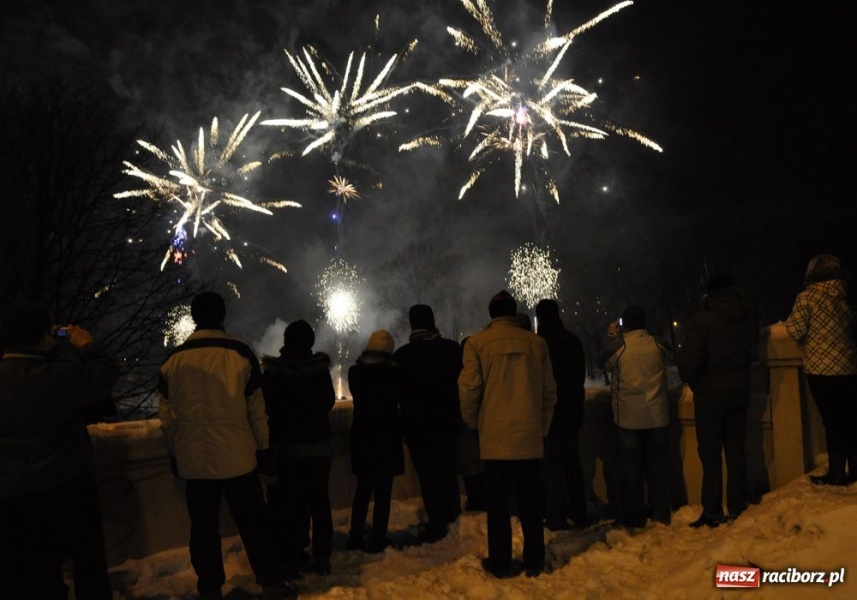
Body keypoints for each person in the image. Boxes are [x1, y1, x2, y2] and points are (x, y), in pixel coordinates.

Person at [158, 292, 289, 600]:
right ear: (222, 315)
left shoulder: (172, 361)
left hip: (194, 462)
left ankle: (210, 588)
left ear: (193, 317)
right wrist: (264, 448)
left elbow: (168, 419)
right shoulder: (240, 355)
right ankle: (270, 582)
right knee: (255, 523)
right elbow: (257, 410)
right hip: (239, 458)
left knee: (203, 530)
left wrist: (177, 453)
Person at [0, 304, 118, 600]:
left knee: (30, 575)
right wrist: (86, 344)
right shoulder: (59, 375)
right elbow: (104, 375)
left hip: (12, 497)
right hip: (67, 488)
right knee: (88, 564)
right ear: (43, 336)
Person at [459, 291, 557, 578]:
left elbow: (469, 391)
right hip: (528, 435)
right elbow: (549, 393)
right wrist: (541, 428)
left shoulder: (476, 344)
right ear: (514, 312)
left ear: (491, 314)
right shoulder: (537, 344)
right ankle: (534, 559)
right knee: (530, 501)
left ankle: (501, 563)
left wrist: (475, 423)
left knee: (498, 505)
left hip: (494, 437)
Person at [678, 274, 755, 527]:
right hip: (740, 392)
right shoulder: (745, 318)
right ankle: (738, 506)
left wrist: (692, 377)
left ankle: (712, 510)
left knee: (710, 454)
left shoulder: (702, 322)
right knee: (736, 451)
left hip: (710, 395)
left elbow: (689, 363)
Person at [262, 319, 336, 577]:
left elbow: (266, 408)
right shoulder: (318, 370)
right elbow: (328, 402)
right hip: (318, 446)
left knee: (291, 504)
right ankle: (323, 555)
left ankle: (293, 555)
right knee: (319, 501)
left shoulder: (272, 372)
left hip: (286, 448)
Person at [393, 304, 463, 542]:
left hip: (418, 426)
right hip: (448, 421)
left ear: (412, 324)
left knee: (428, 475)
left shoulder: (402, 357)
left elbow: (397, 394)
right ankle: (453, 514)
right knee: (448, 469)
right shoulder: (452, 350)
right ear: (433, 321)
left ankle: (437, 522)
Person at [785, 255, 857, 486]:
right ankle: (855, 467)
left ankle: (836, 471)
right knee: (851, 417)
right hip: (849, 365)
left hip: (821, 369)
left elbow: (794, 330)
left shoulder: (808, 297)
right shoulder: (849, 293)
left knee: (832, 420)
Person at [598, 305, 672, 528]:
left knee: (631, 469)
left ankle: (635, 514)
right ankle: (660, 512)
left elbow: (604, 361)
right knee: (656, 467)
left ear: (624, 324)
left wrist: (611, 335)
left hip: (629, 418)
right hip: (658, 415)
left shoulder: (620, 346)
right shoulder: (658, 344)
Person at [347, 330, 405, 553]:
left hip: (363, 436)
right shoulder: (394, 375)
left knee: (362, 490)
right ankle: (378, 538)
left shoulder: (355, 373)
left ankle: (355, 536)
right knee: (383, 493)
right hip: (387, 437)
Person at [535, 298, 588, 530]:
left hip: (548, 414)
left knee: (551, 468)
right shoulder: (573, 341)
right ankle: (580, 512)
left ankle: (556, 516)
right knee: (573, 465)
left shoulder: (538, 344)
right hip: (572, 411)